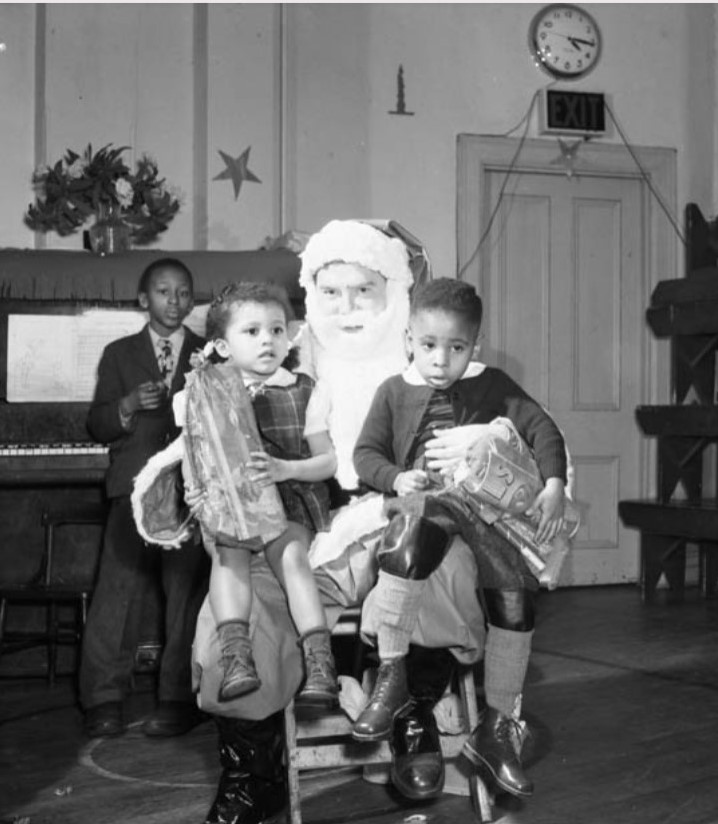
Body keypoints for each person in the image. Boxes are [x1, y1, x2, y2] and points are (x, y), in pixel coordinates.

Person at [141, 220, 487, 824]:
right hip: (304, 526)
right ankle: (256, 775)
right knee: (235, 618)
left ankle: (414, 718)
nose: (348, 307)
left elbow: (514, 441)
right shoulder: (281, 363)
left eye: (364, 290)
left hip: (397, 521)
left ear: (396, 296)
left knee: (443, 568)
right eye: (332, 292)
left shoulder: (438, 363)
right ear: (309, 302)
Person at [351, 277, 570, 798]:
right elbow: (365, 455)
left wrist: (555, 484)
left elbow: (544, 430)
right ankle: (392, 672)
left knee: (515, 594)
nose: (441, 360)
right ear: (408, 338)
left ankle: (495, 732)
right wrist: (395, 478)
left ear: (476, 344)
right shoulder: (393, 391)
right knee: (408, 539)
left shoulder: (492, 384)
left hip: (482, 509)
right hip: (426, 503)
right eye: (428, 345)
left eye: (456, 348)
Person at [179, 282, 340, 708]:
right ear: (221, 345)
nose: (267, 339)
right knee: (230, 555)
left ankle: (320, 662)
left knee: (290, 556)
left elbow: (328, 462)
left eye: (276, 330)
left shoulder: (305, 389)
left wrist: (287, 468)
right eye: (251, 332)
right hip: (231, 506)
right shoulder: (205, 392)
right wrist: (194, 493)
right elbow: (192, 455)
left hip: (288, 502)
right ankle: (236, 658)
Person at [80, 257, 210, 739]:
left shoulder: (208, 353)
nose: (173, 302)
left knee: (185, 597)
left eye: (182, 293)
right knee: (116, 595)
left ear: (191, 302)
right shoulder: (118, 353)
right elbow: (97, 424)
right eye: (162, 292)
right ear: (143, 300)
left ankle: (177, 697)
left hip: (188, 492)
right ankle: (103, 698)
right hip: (132, 490)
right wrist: (128, 406)